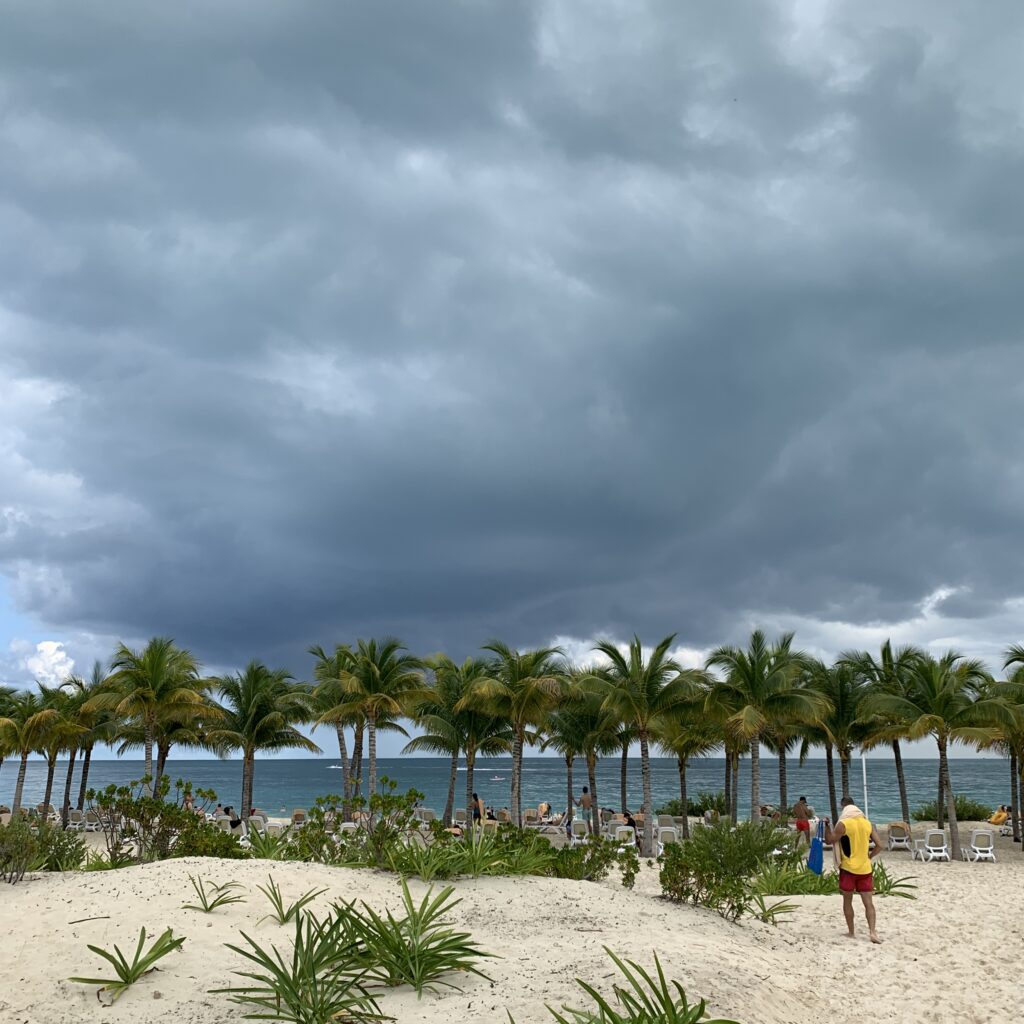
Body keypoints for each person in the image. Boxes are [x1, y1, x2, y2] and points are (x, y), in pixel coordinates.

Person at [825, 797, 883, 944]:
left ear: (843, 808)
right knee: (868, 903)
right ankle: (873, 932)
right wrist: (869, 856)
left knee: (847, 900)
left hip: (848, 868)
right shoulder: (867, 824)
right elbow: (879, 845)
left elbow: (829, 840)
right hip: (865, 868)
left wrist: (826, 826)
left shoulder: (843, 824)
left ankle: (851, 932)